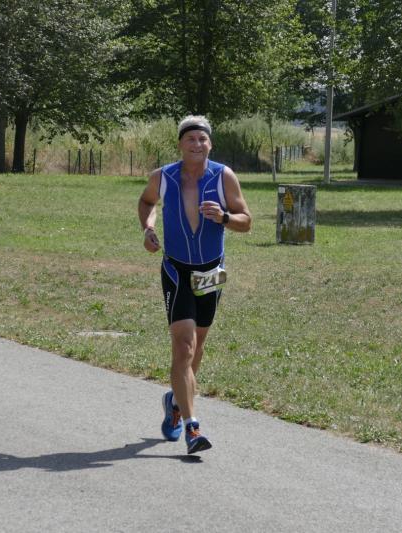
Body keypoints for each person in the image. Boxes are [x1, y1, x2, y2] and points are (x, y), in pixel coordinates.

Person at [138, 115, 252, 454]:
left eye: (203, 139)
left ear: (210, 144)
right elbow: (146, 202)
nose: (197, 144)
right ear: (180, 144)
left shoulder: (224, 176)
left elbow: (246, 221)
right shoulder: (163, 177)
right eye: (191, 139)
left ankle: (175, 401)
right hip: (176, 270)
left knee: (197, 347)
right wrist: (148, 229)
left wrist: (225, 217)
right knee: (184, 346)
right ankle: (192, 426)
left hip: (212, 272)